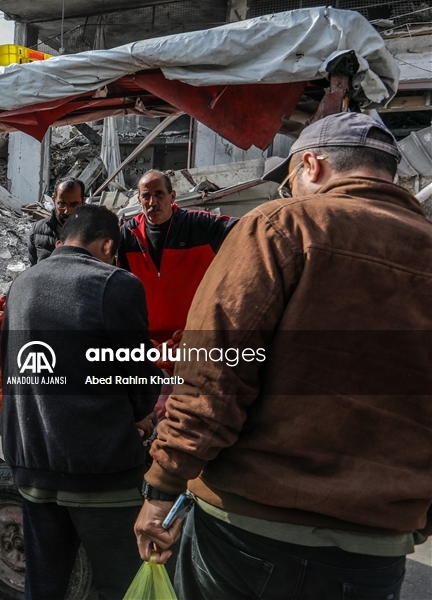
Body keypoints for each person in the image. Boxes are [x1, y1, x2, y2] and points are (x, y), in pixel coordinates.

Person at [134, 112, 432, 599]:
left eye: (290, 180)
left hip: (251, 533)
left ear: (310, 165)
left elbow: (214, 375)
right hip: (376, 551)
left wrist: (162, 485)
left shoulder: (283, 226)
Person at [1, 204, 160, 600]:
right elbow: (138, 380)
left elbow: (11, 367)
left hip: (32, 461)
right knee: (118, 584)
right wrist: (141, 414)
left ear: (61, 241)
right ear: (108, 244)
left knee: (45, 585)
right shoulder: (117, 284)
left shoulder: (22, 283)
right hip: (98, 468)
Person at [118, 170, 238, 343]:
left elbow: (244, 229)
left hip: (191, 339)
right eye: (146, 196)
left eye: (159, 194)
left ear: (172, 196)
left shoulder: (199, 226)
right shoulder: (127, 235)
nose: (153, 202)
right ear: (139, 200)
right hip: (145, 343)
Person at [28, 177, 86, 265]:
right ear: (54, 200)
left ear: (83, 202)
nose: (67, 211)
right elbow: (33, 270)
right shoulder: (38, 231)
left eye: (74, 205)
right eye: (62, 204)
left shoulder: (94, 233)